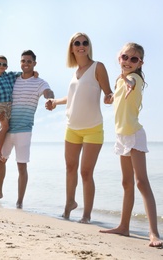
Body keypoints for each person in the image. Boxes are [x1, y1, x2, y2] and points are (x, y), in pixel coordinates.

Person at [99, 43, 163, 248]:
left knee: (141, 182)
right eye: (125, 57)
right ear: (119, 57)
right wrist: (111, 97)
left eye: (133, 59)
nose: (128, 62)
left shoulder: (134, 78)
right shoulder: (120, 81)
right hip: (121, 135)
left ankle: (153, 233)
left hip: (134, 135)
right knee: (126, 183)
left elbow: (132, 85)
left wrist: (125, 80)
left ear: (140, 63)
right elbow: (117, 100)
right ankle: (124, 226)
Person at [45, 32, 113, 223]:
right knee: (70, 168)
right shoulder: (75, 73)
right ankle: (69, 205)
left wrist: (110, 98)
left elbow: (108, 93)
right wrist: (55, 102)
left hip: (93, 128)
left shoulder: (97, 67)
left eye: (85, 42)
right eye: (77, 43)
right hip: (72, 127)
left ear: (88, 46)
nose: (81, 45)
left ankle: (86, 215)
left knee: (86, 173)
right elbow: (73, 97)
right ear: (72, 48)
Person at [0, 50, 55, 208]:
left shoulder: (40, 82)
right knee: (0, 159)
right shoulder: (13, 79)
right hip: (8, 128)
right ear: (20, 63)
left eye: (29, 61)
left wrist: (50, 98)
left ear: (34, 63)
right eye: (23, 61)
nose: (25, 64)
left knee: (22, 166)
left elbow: (48, 91)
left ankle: (19, 201)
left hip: (24, 130)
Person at [0, 55, 20, 161]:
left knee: (4, 128)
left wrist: (34, 73)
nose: (1, 66)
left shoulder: (10, 75)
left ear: (6, 67)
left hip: (9, 105)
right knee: (5, 127)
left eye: (4, 64)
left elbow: (24, 73)